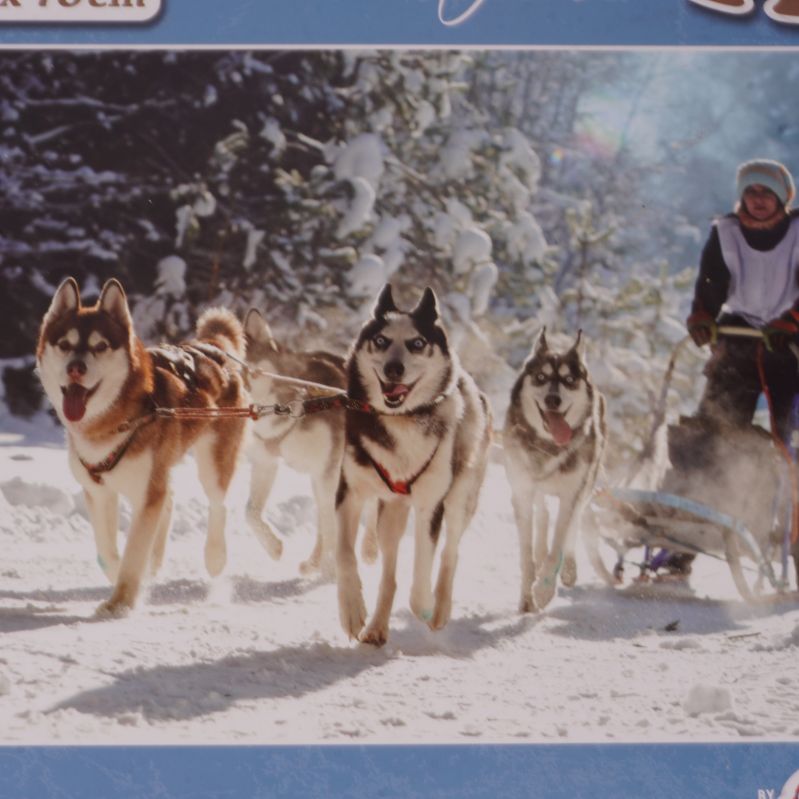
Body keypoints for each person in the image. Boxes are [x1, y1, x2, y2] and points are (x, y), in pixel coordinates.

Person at [669, 159, 799, 578]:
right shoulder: (725, 233)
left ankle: (788, 538)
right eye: (751, 193)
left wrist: (792, 321)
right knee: (709, 432)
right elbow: (711, 281)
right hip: (740, 339)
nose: (758, 201)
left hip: (790, 344)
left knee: (785, 443)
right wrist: (703, 316)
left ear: (783, 198)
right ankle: (680, 537)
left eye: (767, 193)